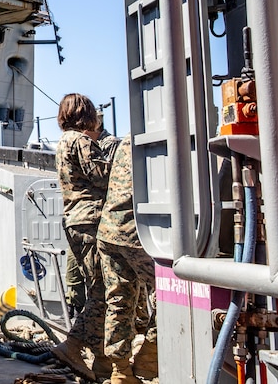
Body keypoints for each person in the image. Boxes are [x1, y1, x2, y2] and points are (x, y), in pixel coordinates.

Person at [50, 94, 116, 381]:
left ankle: (94, 353)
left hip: (75, 220)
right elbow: (101, 176)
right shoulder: (81, 141)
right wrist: (116, 154)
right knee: (103, 288)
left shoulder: (63, 142)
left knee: (96, 288)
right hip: (91, 220)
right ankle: (74, 346)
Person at [98, 135, 157, 383]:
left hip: (109, 230)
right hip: (138, 233)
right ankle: (149, 358)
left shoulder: (125, 142)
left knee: (118, 300)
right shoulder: (163, 141)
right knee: (172, 295)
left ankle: (120, 371)